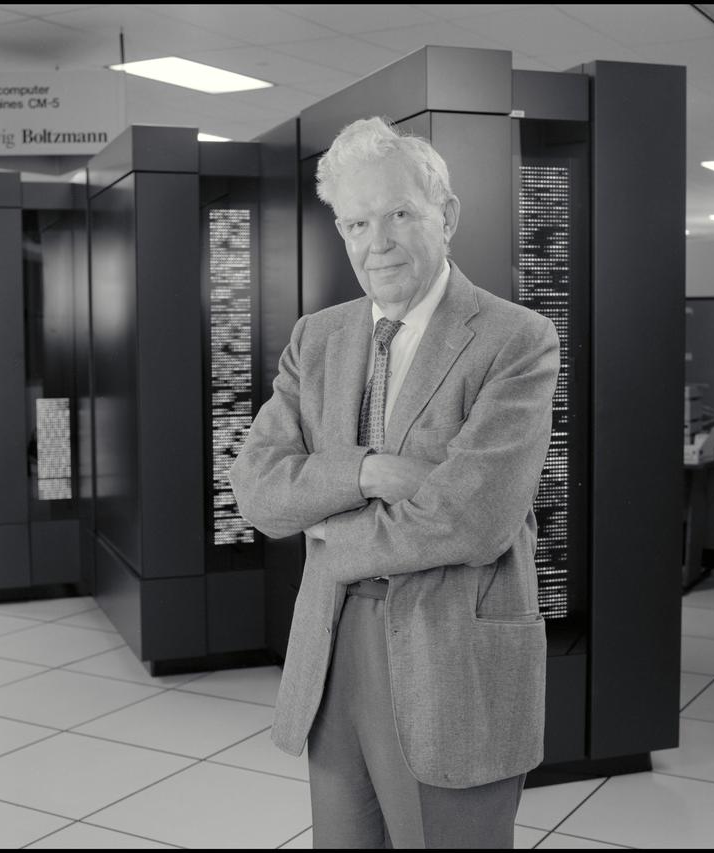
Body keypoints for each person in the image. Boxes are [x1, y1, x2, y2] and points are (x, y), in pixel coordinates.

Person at [228, 116, 560, 849]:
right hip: (332, 650)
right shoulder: (317, 338)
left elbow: (473, 519)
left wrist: (329, 534)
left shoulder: (517, 340)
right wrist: (371, 470)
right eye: (356, 222)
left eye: (400, 213)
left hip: (453, 654)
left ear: (446, 215)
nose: (376, 242)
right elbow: (256, 488)